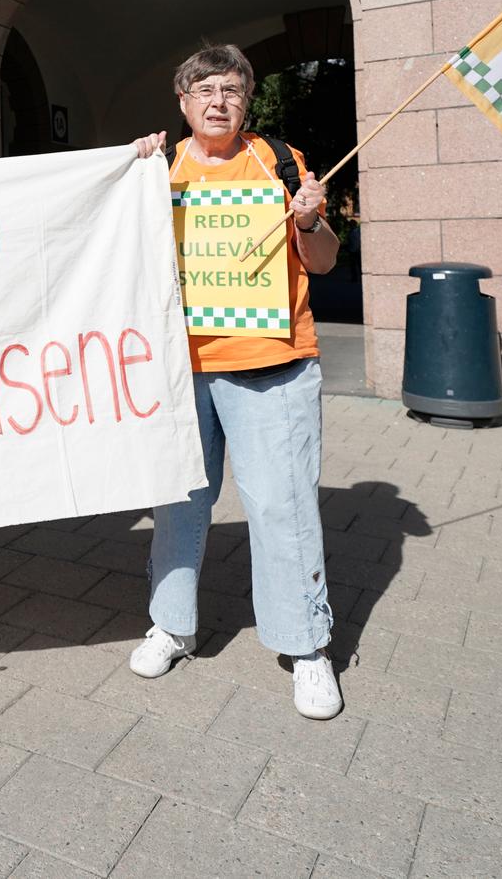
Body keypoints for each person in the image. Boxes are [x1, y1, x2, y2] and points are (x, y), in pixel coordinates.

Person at [129, 44, 343, 720]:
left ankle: (307, 646)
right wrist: (127, 174)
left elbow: (325, 260)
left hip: (272, 364)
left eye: (230, 88)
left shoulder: (280, 162)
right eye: (203, 88)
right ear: (182, 101)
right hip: (182, 367)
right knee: (179, 504)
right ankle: (172, 624)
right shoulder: (160, 167)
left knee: (282, 506)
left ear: (247, 99)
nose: (217, 99)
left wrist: (309, 218)